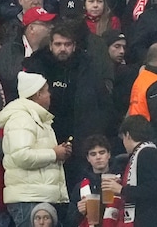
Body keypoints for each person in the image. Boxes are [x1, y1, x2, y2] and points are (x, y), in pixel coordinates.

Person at [23, 23, 112, 189]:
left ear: (74, 45)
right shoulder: (36, 66)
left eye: (67, 44)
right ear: (50, 45)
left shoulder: (88, 67)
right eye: (58, 44)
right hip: (46, 140)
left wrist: (95, 132)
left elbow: (104, 104)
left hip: (81, 140)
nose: (62, 48)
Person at [0, 71, 70, 227]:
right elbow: (21, 155)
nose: (50, 94)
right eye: (47, 90)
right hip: (28, 199)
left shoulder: (38, 119)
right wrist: (54, 153)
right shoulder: (22, 118)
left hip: (38, 196)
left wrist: (59, 152)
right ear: (38, 94)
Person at [102, 114, 157, 226]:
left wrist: (122, 189)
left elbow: (156, 189)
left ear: (128, 135)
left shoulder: (147, 154)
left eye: (123, 138)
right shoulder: (146, 153)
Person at [0, 7, 55, 100]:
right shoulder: (10, 50)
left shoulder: (47, 52)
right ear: (32, 28)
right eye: (46, 24)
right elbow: (12, 80)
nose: (52, 27)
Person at [65, 134, 121, 227]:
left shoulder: (120, 180)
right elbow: (69, 222)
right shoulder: (80, 187)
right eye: (93, 154)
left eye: (102, 152)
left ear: (109, 154)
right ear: (88, 158)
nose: (98, 157)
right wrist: (79, 213)